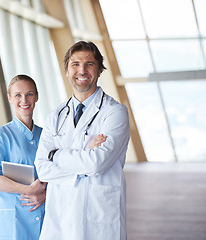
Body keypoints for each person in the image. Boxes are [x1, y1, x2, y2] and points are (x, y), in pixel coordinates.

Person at [35, 41, 130, 240]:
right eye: (75, 64)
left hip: (98, 216)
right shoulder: (56, 116)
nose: (82, 70)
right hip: (61, 216)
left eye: (90, 64)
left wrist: (56, 154)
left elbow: (96, 163)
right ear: (67, 71)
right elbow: (42, 167)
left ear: (99, 69)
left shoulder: (114, 113)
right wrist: (84, 155)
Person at [0, 75, 46, 240]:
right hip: (11, 222)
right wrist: (28, 190)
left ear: (37, 96)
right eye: (18, 95)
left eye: (29, 94)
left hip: (44, 217)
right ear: (10, 98)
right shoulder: (0, 136)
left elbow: (59, 176)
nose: (24, 100)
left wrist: (45, 195)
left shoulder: (46, 136)